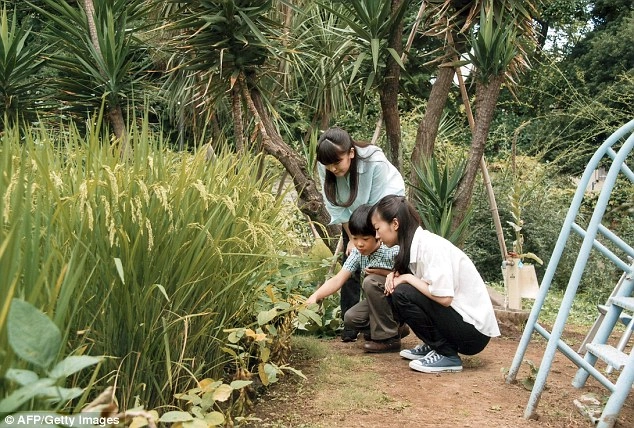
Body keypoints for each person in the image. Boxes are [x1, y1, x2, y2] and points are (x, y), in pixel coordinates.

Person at [370, 195, 500, 373]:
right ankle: (434, 344)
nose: (377, 236)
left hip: (473, 333)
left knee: (402, 292)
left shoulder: (430, 246)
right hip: (460, 323)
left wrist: (406, 278)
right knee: (398, 290)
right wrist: (395, 275)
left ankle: (446, 354)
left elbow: (445, 298)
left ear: (395, 224)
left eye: (378, 229)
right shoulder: (414, 246)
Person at [317, 126, 405, 342]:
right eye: (328, 166)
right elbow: (334, 205)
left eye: (337, 163)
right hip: (353, 217)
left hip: (383, 210)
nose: (333, 169)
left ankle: (395, 321)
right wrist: (352, 238)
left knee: (382, 270)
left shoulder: (374, 161)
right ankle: (351, 328)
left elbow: (375, 209)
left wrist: (364, 236)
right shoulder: (326, 164)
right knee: (352, 262)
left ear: (351, 153)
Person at [306, 204, 408, 352]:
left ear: (377, 236)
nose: (359, 244)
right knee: (351, 318)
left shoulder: (392, 250)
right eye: (355, 238)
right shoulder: (357, 254)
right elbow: (338, 279)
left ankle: (388, 339)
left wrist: (382, 273)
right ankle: (397, 328)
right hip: (379, 304)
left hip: (398, 300)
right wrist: (315, 296)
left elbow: (408, 276)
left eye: (365, 239)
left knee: (370, 280)